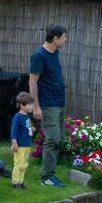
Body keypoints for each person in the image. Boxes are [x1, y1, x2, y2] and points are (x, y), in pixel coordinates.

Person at [29, 24, 68, 187]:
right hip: (48, 104)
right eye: (63, 37)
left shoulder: (55, 52)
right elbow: (32, 81)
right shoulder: (39, 56)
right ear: (55, 38)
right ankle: (46, 178)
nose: (65, 40)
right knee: (52, 139)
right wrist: (36, 106)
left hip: (59, 102)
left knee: (59, 139)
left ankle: (51, 174)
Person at [9, 92, 35, 189]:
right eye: (29, 105)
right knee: (19, 164)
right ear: (21, 105)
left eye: (32, 104)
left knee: (24, 164)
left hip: (27, 145)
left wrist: (32, 128)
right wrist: (14, 142)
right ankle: (15, 183)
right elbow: (13, 131)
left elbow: (29, 126)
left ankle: (21, 181)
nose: (31, 106)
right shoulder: (17, 117)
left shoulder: (27, 116)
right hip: (20, 145)